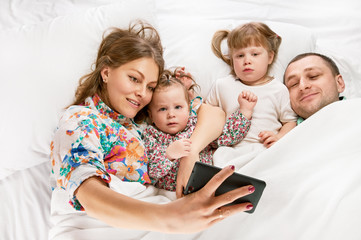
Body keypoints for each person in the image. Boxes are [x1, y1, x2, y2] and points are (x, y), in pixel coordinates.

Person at [50, 21, 255, 234]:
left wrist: (190, 152)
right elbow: (88, 192)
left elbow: (212, 114)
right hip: (103, 225)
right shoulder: (80, 120)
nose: (142, 93)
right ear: (106, 72)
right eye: (133, 79)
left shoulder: (144, 118)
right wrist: (171, 218)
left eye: (150, 87)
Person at [144, 69, 257, 191]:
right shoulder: (151, 136)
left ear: (188, 108)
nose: (171, 114)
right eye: (162, 109)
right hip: (174, 191)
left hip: (206, 183)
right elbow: (152, 173)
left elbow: (227, 138)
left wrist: (245, 112)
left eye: (178, 107)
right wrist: (168, 155)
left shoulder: (195, 123)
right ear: (151, 116)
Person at [207, 22, 297, 149]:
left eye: (255, 54)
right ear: (232, 60)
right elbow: (206, 115)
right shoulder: (222, 86)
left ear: (270, 57)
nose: (247, 61)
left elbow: (289, 122)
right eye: (240, 55)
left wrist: (278, 137)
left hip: (264, 149)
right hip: (228, 151)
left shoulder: (278, 89)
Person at [283, 52, 346, 124]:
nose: (302, 86)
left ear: (339, 83)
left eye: (313, 76)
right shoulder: (284, 134)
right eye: (294, 84)